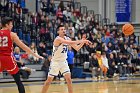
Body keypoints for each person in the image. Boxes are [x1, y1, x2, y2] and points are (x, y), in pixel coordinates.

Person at [41, 25, 92, 93]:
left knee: (69, 79)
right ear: (58, 31)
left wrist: (83, 42)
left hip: (63, 62)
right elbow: (70, 43)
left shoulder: (67, 38)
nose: (64, 30)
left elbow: (77, 48)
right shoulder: (57, 39)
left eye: (64, 29)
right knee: (49, 81)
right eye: (61, 29)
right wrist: (83, 40)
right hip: (55, 62)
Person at [0, 17, 43, 93]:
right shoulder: (12, 34)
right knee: (18, 81)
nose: (12, 26)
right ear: (6, 25)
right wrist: (35, 54)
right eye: (11, 24)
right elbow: (23, 46)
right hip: (8, 59)